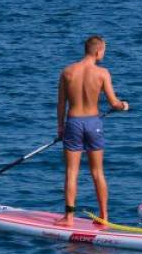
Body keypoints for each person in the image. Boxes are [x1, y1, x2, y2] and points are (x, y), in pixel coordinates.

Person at [54, 35, 128, 227]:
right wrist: (124, 106)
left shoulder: (67, 71)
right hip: (93, 124)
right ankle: (103, 216)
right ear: (97, 51)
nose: (104, 53)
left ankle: (69, 217)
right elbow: (113, 103)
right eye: (104, 50)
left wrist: (60, 127)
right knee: (97, 172)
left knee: (71, 172)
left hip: (73, 123)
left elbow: (61, 104)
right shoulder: (102, 73)